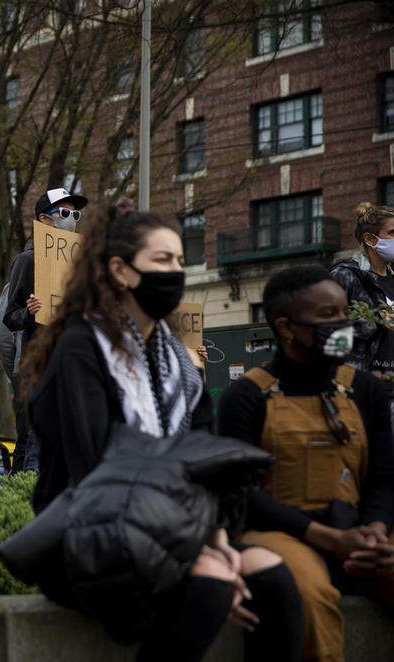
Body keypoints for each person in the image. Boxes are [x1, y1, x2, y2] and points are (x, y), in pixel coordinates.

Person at [20, 209, 302, 661]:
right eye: (163, 260)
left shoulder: (176, 359)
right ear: (120, 270)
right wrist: (194, 555)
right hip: (89, 530)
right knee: (210, 582)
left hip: (174, 525)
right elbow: (95, 468)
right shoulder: (81, 345)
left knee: (271, 578)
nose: (177, 272)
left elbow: (205, 456)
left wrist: (218, 537)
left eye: (180, 260)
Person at [218, 266, 394, 662]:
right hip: (278, 534)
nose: (343, 323)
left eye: (344, 312)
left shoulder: (365, 390)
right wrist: (329, 539)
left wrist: (376, 531)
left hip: (358, 531)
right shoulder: (245, 397)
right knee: (307, 595)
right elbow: (242, 494)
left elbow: (384, 479)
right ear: (286, 326)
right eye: (327, 315)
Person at [4, 187, 88, 472]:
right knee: (35, 445)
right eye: (64, 213)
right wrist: (30, 313)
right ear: (44, 219)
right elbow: (10, 317)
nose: (71, 219)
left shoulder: (83, 266)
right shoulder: (27, 261)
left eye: (75, 214)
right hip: (40, 367)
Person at [330, 202, 394, 391]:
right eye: (392, 233)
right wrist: (375, 321)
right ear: (370, 239)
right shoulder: (345, 276)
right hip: (359, 389)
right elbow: (323, 331)